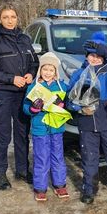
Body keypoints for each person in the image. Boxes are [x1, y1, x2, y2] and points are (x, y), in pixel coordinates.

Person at [0, 4, 39, 190]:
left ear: (17, 18)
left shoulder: (25, 39)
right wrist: (11, 79)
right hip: (3, 94)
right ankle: (0, 172)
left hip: (23, 95)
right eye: (5, 17)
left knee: (22, 135)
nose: (9, 20)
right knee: (2, 135)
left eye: (13, 16)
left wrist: (31, 73)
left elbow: (34, 62)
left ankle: (22, 170)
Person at [67, 31, 107, 204]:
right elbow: (69, 99)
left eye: (98, 55)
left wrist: (102, 48)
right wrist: (78, 108)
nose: (94, 59)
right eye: (91, 55)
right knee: (89, 158)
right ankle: (89, 189)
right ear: (86, 57)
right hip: (86, 124)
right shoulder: (79, 74)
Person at [22, 52, 70, 202]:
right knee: (41, 157)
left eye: (51, 70)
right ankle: (40, 187)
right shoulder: (33, 87)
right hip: (40, 128)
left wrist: (63, 105)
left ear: (56, 71)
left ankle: (59, 184)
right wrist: (33, 109)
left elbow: (69, 104)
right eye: (45, 69)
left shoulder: (62, 86)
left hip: (56, 128)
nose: (48, 73)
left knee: (58, 156)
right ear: (40, 70)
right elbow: (25, 106)